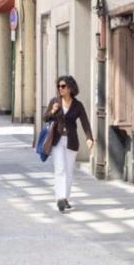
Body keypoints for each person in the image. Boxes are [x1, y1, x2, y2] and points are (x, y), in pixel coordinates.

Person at [45, 75, 94, 212]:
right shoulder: (55, 102)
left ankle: (65, 198)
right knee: (60, 169)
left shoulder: (78, 105)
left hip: (71, 141)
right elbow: (45, 118)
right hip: (57, 140)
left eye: (63, 86)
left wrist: (89, 138)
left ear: (70, 88)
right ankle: (60, 198)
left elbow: (85, 122)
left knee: (68, 170)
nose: (60, 89)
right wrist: (53, 111)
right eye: (59, 86)